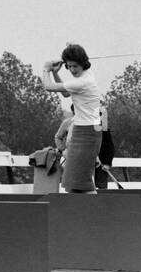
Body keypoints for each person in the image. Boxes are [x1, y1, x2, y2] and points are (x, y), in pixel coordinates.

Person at [39, 44, 101, 193]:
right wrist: (55, 72)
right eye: (69, 66)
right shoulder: (86, 74)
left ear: (83, 63)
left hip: (88, 133)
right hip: (83, 130)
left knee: (79, 182)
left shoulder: (82, 82)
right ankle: (83, 213)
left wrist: (46, 69)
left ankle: (97, 213)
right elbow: (66, 93)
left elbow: (48, 86)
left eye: (75, 66)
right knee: (73, 183)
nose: (72, 70)